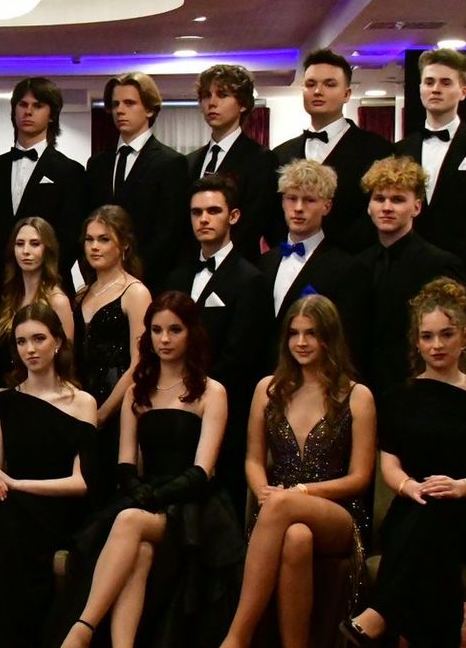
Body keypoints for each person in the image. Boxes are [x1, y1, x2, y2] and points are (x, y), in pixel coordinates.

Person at [43, 292, 239, 648]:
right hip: (143, 501)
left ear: (191, 334)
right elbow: (125, 464)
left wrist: (154, 498)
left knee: (130, 522)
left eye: (174, 330)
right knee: (140, 551)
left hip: (193, 509)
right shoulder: (138, 389)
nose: (164, 339)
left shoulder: (212, 391)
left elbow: (203, 471)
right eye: (156, 330)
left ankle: (82, 630)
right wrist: (139, 491)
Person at [200, 294, 376, 648]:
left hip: (339, 515)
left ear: (329, 337)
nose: (301, 342)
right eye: (294, 334)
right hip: (281, 514)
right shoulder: (268, 389)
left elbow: (360, 478)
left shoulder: (357, 396)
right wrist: (263, 489)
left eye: (311, 334)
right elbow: (252, 460)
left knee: (284, 509)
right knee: (295, 537)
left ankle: (237, 639)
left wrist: (299, 495)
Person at [343, 278, 466, 648]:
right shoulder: (400, 397)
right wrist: (409, 488)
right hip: (415, 510)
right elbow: (390, 465)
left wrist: (461, 486)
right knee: (434, 531)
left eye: (446, 335)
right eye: (427, 336)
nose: (436, 345)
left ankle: (382, 612)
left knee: (440, 520)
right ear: (416, 341)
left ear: (464, 336)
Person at [0, 304, 98, 648]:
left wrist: (15, 483)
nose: (30, 349)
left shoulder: (82, 402)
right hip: (13, 513)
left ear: (58, 342)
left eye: (39, 338)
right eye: (22, 341)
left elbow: (82, 484)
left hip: (59, 511)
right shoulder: (4, 402)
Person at [163, 177, 271, 512]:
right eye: (196, 212)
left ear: (233, 216)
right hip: (173, 412)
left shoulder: (251, 280)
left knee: (217, 512)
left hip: (226, 412)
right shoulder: (177, 276)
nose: (204, 219)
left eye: (213, 211)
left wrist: (195, 391)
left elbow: (241, 356)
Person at [394, 47, 466, 370]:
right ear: (420, 88)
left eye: (445, 82)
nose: (436, 89)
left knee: (463, 376)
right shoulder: (401, 149)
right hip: (409, 280)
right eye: (429, 82)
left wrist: (442, 266)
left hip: (464, 279)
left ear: (463, 90)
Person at [355, 157, 465, 393]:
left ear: (416, 207)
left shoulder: (440, 264)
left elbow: (451, 337)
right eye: (379, 199)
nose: (386, 207)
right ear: (369, 206)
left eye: (397, 200)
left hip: (419, 386)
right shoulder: (357, 264)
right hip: (363, 387)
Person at [271, 49, 392, 254]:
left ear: (347, 94)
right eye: (310, 84)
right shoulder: (281, 154)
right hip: (294, 261)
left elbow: (381, 213)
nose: (318, 91)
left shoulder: (378, 150)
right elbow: (273, 217)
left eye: (329, 84)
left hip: (358, 262)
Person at [259, 160, 369, 368]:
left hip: (318, 375)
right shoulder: (265, 262)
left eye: (309, 200)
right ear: (282, 202)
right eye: (292, 198)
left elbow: (347, 340)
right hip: (264, 377)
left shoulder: (346, 268)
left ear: (327, 206)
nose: (298, 208)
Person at [86, 73, 189, 287]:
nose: (120, 110)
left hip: (150, 279)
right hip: (101, 277)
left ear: (149, 109)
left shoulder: (171, 163)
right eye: (115, 104)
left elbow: (169, 232)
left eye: (129, 103)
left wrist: (130, 273)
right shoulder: (97, 164)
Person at [0, 77, 86, 283]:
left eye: (38, 106)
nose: (28, 111)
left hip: (50, 282)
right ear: (14, 110)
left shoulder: (70, 171)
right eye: (23, 104)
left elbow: (71, 237)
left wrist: (44, 275)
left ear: (52, 115)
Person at [72, 206, 151, 472]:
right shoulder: (83, 293)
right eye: (89, 239)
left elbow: (140, 362)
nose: (94, 247)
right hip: (82, 402)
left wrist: (103, 414)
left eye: (104, 239)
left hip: (119, 406)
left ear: (124, 244)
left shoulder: (135, 292)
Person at [188, 64, 281, 261]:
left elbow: (253, 223)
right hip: (193, 266)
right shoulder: (191, 161)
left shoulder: (261, 159)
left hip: (240, 266)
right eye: (206, 96)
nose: (212, 103)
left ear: (243, 104)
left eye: (222, 95)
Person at [0, 217, 74, 383]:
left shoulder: (57, 301)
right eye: (20, 244)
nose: (26, 251)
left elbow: (66, 358)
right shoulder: (9, 297)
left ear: (47, 249)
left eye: (35, 244)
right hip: (4, 388)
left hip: (44, 390)